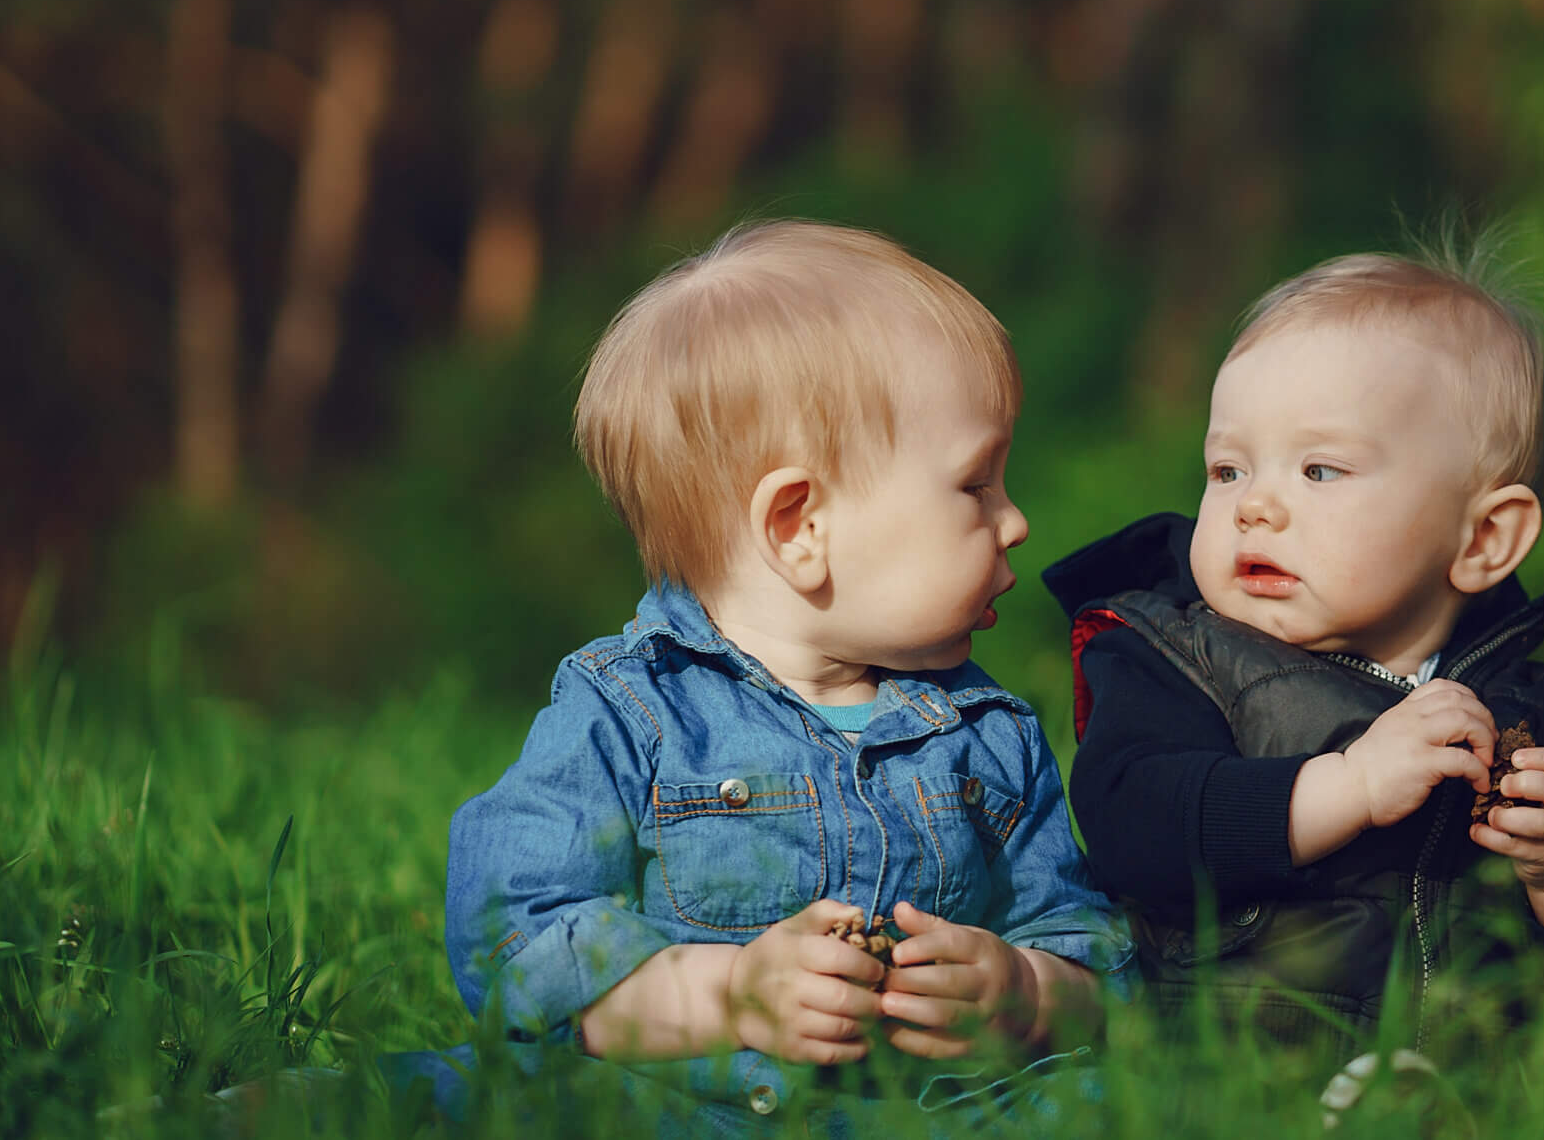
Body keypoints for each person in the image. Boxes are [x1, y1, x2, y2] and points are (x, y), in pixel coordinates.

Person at [431, 219, 1132, 1130]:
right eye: (976, 485)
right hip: (686, 1105)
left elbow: (1094, 951)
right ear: (799, 525)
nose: (1016, 521)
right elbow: (510, 925)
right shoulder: (632, 709)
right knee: (477, 1093)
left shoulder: (987, 733)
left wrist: (1026, 992)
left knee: (1111, 1101)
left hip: (930, 1110)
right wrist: (728, 994)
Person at [1046, 246, 1544, 1046]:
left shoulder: (1532, 715)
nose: (1255, 506)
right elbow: (1129, 827)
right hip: (1234, 1075)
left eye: (1319, 469)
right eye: (1227, 468)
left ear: (1485, 537)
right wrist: (1340, 787)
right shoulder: (1177, 659)